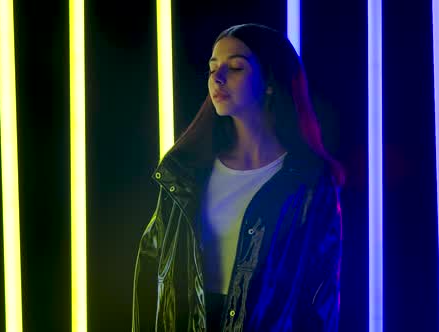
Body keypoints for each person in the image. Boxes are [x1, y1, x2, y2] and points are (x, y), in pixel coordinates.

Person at [132, 23, 344, 332]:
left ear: (271, 81)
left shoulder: (309, 182)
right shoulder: (184, 172)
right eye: (212, 68)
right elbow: (151, 273)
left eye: (235, 68)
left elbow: (321, 293)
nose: (217, 78)